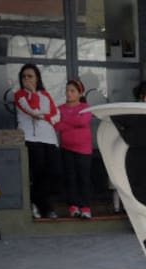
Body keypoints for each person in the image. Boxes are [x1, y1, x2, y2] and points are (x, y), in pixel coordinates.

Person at [15, 63, 61, 219]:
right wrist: (33, 93)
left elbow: (56, 116)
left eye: (30, 76)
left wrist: (43, 116)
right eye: (24, 76)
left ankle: (39, 202)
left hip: (49, 138)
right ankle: (42, 206)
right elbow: (32, 110)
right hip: (31, 138)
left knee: (53, 173)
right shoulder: (20, 95)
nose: (26, 79)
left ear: (37, 78)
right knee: (38, 173)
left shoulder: (46, 95)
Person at [54, 78, 93, 219]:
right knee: (70, 178)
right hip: (66, 148)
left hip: (84, 149)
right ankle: (73, 206)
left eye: (72, 91)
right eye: (67, 90)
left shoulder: (85, 107)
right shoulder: (60, 109)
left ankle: (86, 207)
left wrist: (66, 121)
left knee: (84, 178)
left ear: (80, 93)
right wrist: (72, 122)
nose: (69, 93)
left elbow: (83, 121)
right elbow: (56, 126)